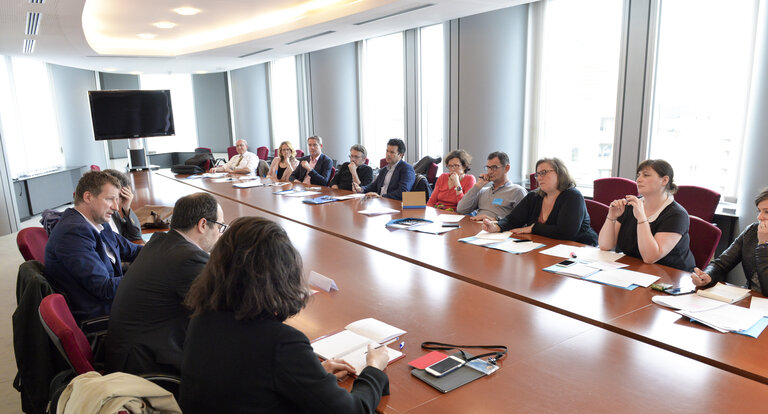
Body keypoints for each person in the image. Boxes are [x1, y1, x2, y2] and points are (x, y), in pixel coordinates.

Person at [180, 217, 390, 413]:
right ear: (281, 275)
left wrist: (310, 374)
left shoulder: (201, 318)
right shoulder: (282, 343)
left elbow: (248, 376)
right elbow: (352, 410)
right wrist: (374, 370)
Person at [105, 192, 225, 376]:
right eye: (220, 227)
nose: (220, 234)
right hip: (146, 368)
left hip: (129, 353)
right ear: (202, 225)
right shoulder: (189, 259)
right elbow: (225, 308)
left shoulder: (159, 241)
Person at [44, 171, 142, 321]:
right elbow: (104, 288)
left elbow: (133, 250)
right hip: (101, 313)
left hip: (113, 301)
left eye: (117, 200)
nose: (116, 207)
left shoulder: (98, 222)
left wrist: (165, 251)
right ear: (88, 197)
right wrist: (148, 274)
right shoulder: (72, 232)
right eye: (110, 199)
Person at [598, 159, 695, 271]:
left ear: (664, 180)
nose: (638, 180)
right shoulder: (631, 205)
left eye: (646, 175)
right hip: (635, 269)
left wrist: (641, 218)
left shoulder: (677, 215)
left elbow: (650, 257)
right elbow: (605, 246)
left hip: (671, 275)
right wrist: (611, 217)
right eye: (638, 175)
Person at [482, 157, 598, 246]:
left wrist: (533, 228)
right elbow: (514, 219)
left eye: (544, 173)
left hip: (577, 248)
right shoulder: (534, 196)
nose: (539, 178)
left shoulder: (573, 196)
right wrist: (497, 227)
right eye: (538, 174)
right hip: (543, 246)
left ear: (559, 173)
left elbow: (566, 232)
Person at [691, 188, 768, 294]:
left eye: (767, 212)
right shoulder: (752, 231)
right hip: (750, 298)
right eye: (759, 211)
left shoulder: (762, 237)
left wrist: (763, 245)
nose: (759, 217)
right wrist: (707, 275)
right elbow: (721, 264)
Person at [456, 151, 527, 221]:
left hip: (499, 230)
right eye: (488, 167)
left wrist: (494, 219)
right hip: (477, 228)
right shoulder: (483, 191)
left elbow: (523, 219)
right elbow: (461, 210)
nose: (489, 171)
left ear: (506, 168)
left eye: (494, 167)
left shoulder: (517, 191)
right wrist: (477, 187)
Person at [102, 169, 142, 242]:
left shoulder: (113, 213)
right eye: (111, 198)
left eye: (119, 198)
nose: (116, 207)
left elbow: (135, 235)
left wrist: (126, 208)